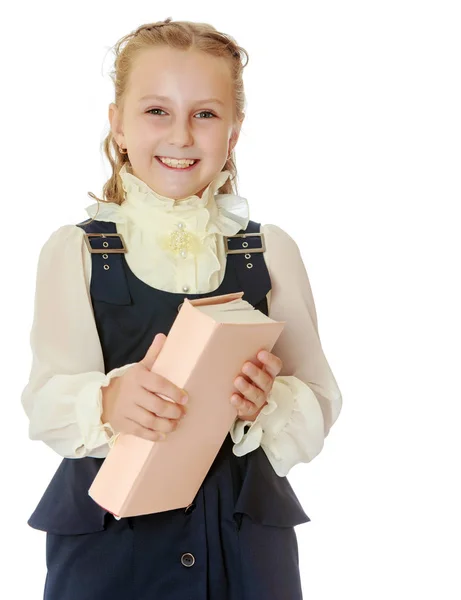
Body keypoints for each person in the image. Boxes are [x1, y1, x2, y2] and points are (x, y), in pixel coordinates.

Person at [20, 17, 342, 600]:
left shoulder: (270, 252)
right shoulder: (77, 253)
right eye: (156, 111)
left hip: (243, 550)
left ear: (234, 133)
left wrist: (267, 401)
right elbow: (44, 403)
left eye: (206, 114)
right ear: (117, 124)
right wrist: (110, 401)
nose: (181, 136)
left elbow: (319, 404)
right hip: (112, 553)